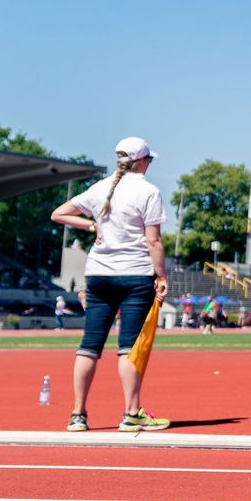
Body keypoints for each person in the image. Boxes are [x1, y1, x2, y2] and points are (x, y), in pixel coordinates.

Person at [49, 137, 171, 433]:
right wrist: (162, 276)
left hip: (99, 274)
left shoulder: (99, 188)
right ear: (141, 161)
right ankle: (131, 413)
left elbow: (58, 214)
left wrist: (91, 225)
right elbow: (153, 240)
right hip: (136, 275)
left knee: (89, 345)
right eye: (149, 160)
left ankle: (77, 414)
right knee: (129, 347)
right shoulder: (148, 191)